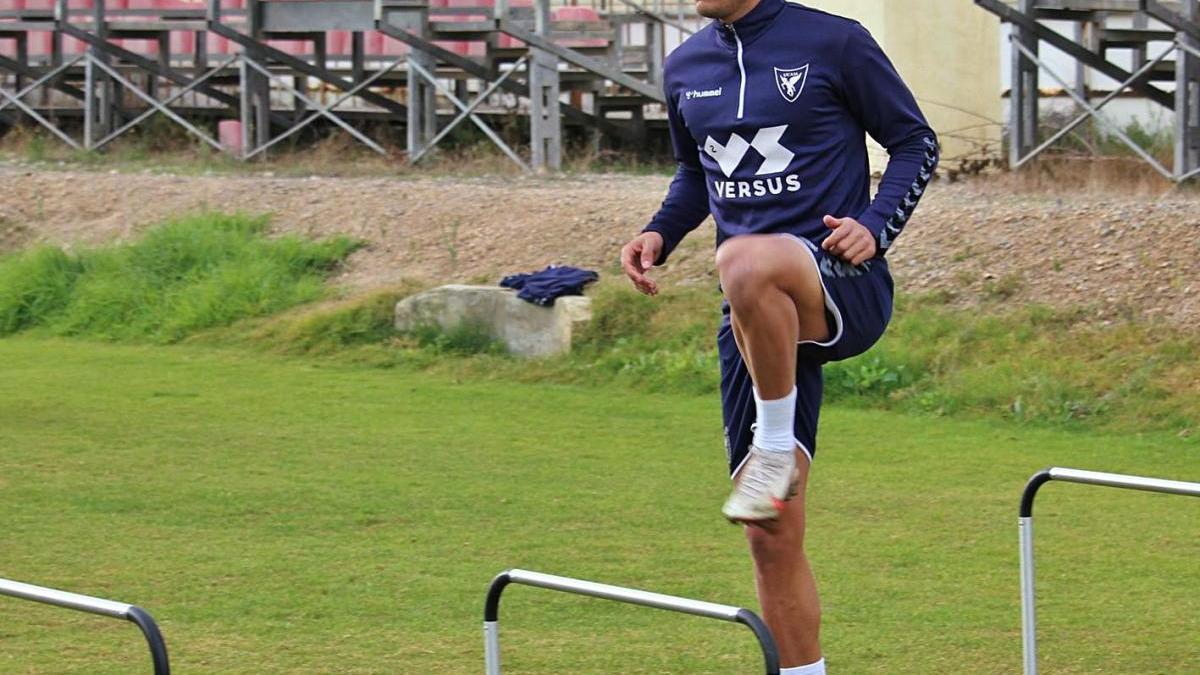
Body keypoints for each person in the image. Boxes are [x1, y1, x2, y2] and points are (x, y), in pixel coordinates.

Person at [619, 1, 939, 672]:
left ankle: (773, 447)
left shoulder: (835, 42)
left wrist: (876, 225)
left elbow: (916, 142)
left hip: (839, 282)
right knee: (770, 532)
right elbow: (697, 176)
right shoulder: (685, 66)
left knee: (745, 259)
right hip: (751, 319)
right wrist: (659, 232)